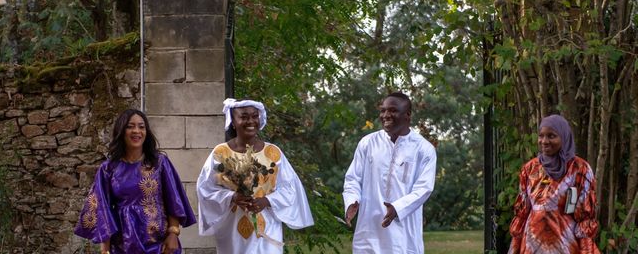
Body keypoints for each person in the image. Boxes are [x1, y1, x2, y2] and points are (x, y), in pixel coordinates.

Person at [196, 98, 314, 253]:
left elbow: (290, 189)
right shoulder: (220, 153)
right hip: (232, 233)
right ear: (233, 121)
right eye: (243, 117)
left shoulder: (273, 153)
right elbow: (205, 189)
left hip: (268, 229)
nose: (250, 121)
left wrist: (267, 200)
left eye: (254, 116)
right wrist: (232, 197)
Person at [74, 109, 196, 254]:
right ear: (121, 131)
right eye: (130, 126)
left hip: (158, 242)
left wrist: (173, 233)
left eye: (141, 126)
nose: (136, 131)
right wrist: (105, 249)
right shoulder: (108, 168)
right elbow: (102, 209)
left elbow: (173, 200)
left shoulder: (160, 163)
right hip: (122, 244)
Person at [343, 91, 437, 254]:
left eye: (393, 110)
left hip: (404, 234)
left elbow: (424, 188)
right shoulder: (368, 143)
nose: (386, 115)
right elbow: (353, 178)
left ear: (407, 115)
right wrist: (352, 200)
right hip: (369, 231)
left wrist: (397, 208)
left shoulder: (423, 149)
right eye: (383, 110)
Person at [508, 114, 601, 254]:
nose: (544, 141)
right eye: (541, 136)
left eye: (551, 136)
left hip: (566, 245)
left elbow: (585, 218)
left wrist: (586, 250)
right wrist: (515, 247)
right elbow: (522, 213)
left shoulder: (579, 169)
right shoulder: (530, 169)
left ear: (564, 137)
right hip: (532, 245)